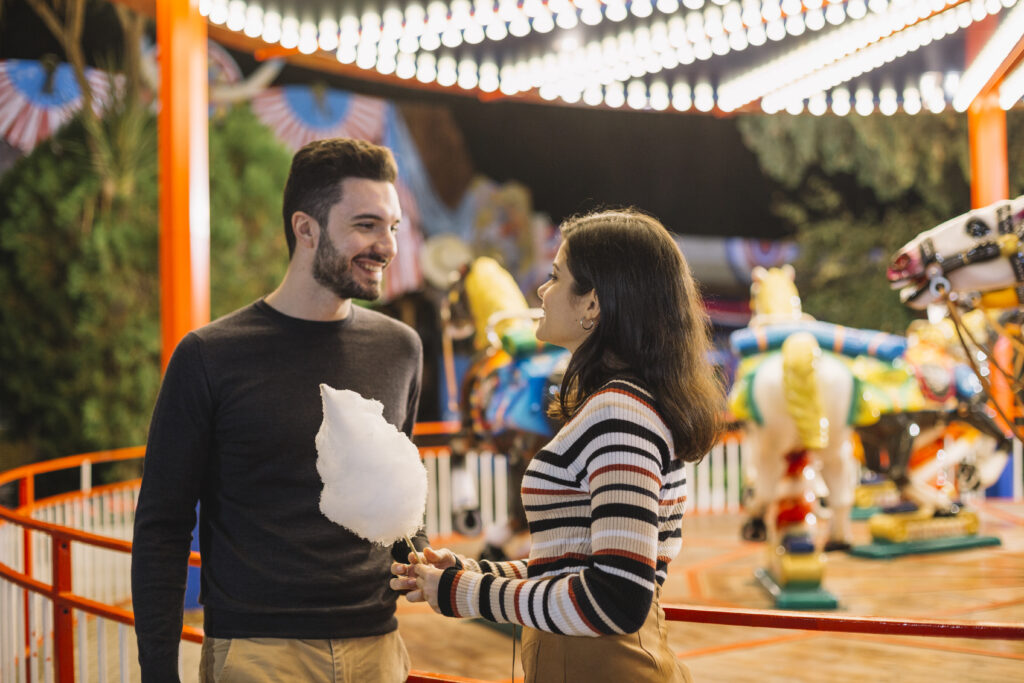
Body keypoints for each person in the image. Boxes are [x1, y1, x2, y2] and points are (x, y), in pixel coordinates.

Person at [132, 138, 425, 683]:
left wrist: (425, 558)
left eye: (393, 227)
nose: (386, 246)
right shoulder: (209, 356)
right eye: (366, 225)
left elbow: (400, 505)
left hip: (378, 645)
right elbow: (162, 528)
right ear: (305, 228)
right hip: (257, 651)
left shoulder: (401, 348)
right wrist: (157, 671)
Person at [392, 209, 724, 682]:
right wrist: (473, 572)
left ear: (593, 305)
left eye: (555, 277)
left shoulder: (620, 414)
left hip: (605, 667)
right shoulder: (613, 407)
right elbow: (573, 565)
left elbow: (616, 597)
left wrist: (464, 592)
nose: (542, 292)